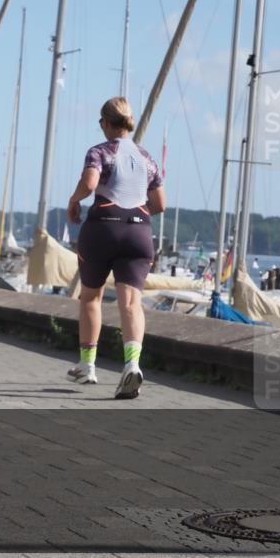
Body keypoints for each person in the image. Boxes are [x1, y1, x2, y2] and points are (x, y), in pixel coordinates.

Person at [66, 97, 165, 399]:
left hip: (103, 228)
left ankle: (87, 366)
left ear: (107, 123)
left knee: (91, 297)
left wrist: (74, 200)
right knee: (131, 303)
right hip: (139, 232)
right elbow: (160, 204)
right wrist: (134, 212)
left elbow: (90, 182)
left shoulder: (99, 151)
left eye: (101, 121)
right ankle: (132, 365)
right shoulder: (148, 158)